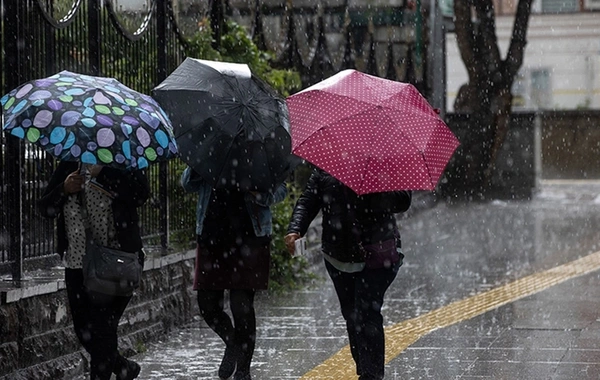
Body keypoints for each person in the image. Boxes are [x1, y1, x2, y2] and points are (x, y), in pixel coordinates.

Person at [284, 168, 412, 380]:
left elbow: (403, 200)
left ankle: (372, 375)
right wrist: (295, 228)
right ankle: (364, 367)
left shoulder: (384, 162)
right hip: (338, 255)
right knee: (352, 316)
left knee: (367, 311)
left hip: (378, 252)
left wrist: (371, 192)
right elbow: (308, 201)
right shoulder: (326, 167)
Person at [38, 161, 149, 380]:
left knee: (103, 329)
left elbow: (141, 195)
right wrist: (63, 189)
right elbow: (45, 208)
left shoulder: (122, 163)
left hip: (115, 264)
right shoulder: (69, 166)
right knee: (84, 332)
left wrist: (105, 173)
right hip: (77, 265)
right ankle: (124, 367)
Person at [181, 166, 287, 380]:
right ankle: (232, 343)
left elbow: (281, 190)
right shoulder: (211, 146)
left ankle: (243, 370)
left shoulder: (259, 149)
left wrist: (259, 194)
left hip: (249, 239)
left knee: (242, 307)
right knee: (207, 306)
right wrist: (196, 167)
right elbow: (187, 184)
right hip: (212, 238)